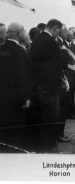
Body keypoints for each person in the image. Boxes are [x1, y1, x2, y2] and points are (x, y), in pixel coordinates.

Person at [30, 19, 69, 152]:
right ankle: (50, 149)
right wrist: (64, 50)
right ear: (55, 28)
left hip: (38, 86)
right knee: (51, 119)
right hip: (51, 88)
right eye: (59, 31)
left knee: (40, 120)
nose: (59, 34)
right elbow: (63, 63)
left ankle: (40, 147)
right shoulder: (52, 42)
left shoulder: (37, 40)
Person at [0, 22, 32, 150]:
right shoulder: (19, 51)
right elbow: (22, 77)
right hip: (16, 100)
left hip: (3, 97)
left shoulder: (2, 48)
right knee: (15, 135)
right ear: (19, 33)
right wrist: (25, 98)